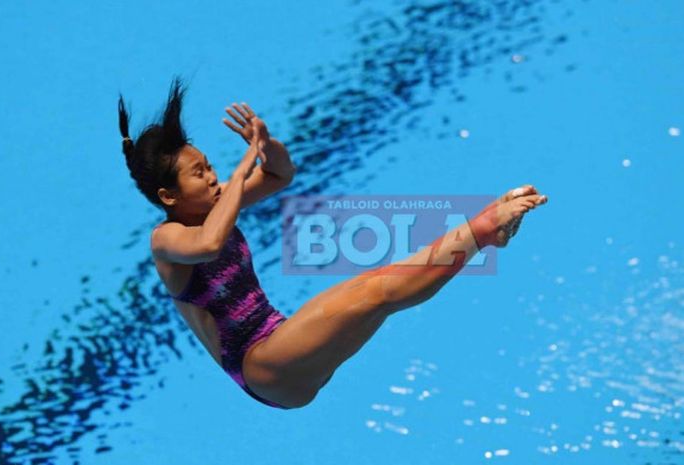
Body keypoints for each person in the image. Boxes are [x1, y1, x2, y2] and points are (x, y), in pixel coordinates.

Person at [117, 77, 548, 410]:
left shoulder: (218, 201)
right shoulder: (166, 239)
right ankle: (483, 230)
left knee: (382, 293)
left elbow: (281, 176)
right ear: (168, 197)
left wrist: (265, 147)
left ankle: (484, 234)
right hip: (262, 366)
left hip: (285, 344)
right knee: (376, 290)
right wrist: (244, 165)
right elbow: (209, 244)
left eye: (209, 165)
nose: (212, 176)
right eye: (199, 174)